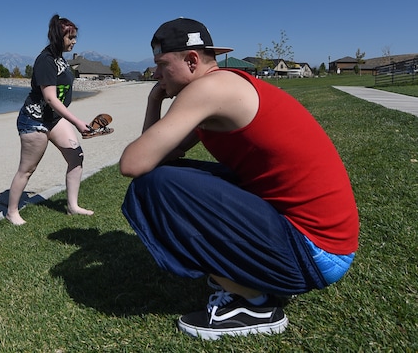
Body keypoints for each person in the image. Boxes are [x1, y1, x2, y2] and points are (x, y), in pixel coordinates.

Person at [119, 18, 359, 340]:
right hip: (326, 243)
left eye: (162, 65)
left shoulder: (209, 89)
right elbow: (157, 156)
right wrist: (154, 101)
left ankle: (255, 304)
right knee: (169, 175)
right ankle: (243, 277)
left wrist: (154, 102)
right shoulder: (223, 87)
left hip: (316, 251)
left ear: (191, 61)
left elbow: (133, 164)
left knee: (153, 188)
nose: (156, 75)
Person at [6, 14, 95, 225]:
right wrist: (77, 122)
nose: (74, 41)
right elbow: (50, 98)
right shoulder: (45, 60)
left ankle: (73, 206)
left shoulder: (59, 57)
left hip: (53, 118)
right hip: (34, 120)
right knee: (27, 169)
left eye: (75, 37)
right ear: (57, 37)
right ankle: (12, 212)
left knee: (76, 156)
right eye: (70, 37)